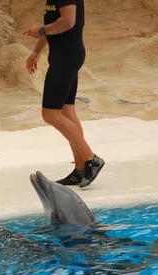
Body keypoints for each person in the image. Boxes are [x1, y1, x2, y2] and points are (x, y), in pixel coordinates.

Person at [23, 0, 104, 188]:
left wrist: (41, 30)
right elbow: (54, 25)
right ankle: (81, 169)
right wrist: (37, 50)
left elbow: (68, 21)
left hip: (66, 57)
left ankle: (91, 159)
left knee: (50, 113)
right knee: (67, 111)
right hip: (63, 56)